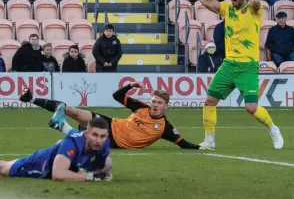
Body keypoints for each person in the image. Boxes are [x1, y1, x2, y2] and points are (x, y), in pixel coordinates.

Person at [198, 0, 284, 149]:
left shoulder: (253, 10)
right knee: (209, 101)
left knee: (251, 108)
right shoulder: (226, 8)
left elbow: (256, 1)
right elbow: (204, 0)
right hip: (229, 64)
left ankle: (273, 129)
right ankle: (209, 141)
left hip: (248, 66)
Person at [19, 85, 212, 150]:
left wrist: (200, 146)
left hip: (113, 140)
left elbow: (182, 143)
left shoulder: (165, 127)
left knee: (70, 142)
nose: (154, 105)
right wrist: (130, 85)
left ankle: (61, 130)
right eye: (153, 101)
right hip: (110, 123)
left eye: (159, 103)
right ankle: (32, 98)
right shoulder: (141, 107)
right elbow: (117, 96)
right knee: (73, 111)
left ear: (165, 106)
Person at [0, 117, 113, 182]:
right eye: (95, 135)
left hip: (65, 159)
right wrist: (90, 177)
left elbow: (100, 167)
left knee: (108, 162)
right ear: (86, 133)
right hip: (41, 164)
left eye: (102, 136)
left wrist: (96, 174)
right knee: (4, 168)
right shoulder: (72, 143)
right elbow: (57, 175)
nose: (98, 140)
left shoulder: (104, 144)